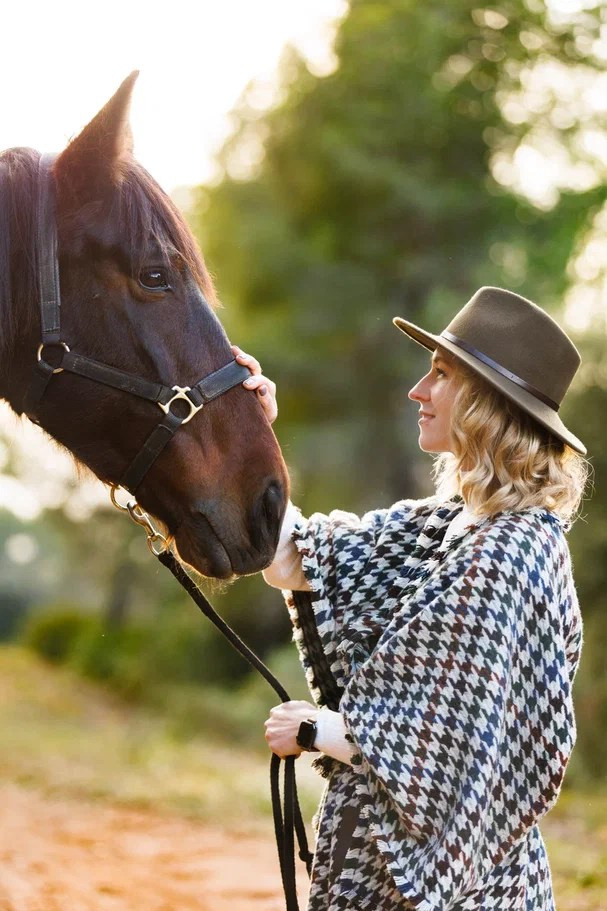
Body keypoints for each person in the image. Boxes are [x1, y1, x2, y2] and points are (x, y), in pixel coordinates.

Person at [233, 286, 589, 911]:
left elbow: (464, 758)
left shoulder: (516, 553)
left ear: (486, 405)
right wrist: (244, 432)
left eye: (441, 375)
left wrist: (322, 729)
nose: (417, 391)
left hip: (469, 891)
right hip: (378, 868)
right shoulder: (441, 525)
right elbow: (295, 556)